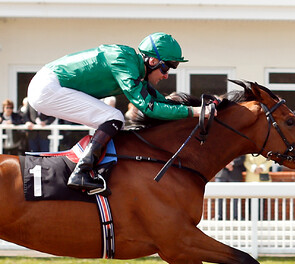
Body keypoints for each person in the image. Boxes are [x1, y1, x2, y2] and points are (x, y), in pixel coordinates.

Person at [26, 32, 203, 195]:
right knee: (114, 117)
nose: (166, 76)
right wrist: (194, 112)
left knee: (112, 120)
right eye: (166, 69)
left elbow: (159, 101)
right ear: (152, 61)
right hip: (47, 88)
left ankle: (93, 168)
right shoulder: (124, 62)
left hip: (49, 86)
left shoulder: (133, 67)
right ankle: (82, 172)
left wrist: (201, 106)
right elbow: (149, 107)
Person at [214, 155, 246, 220]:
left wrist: (232, 163)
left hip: (235, 173)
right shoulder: (218, 145)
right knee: (218, 196)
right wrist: (226, 164)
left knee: (236, 197)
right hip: (221, 173)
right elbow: (216, 157)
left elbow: (242, 157)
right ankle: (218, 215)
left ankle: (236, 216)